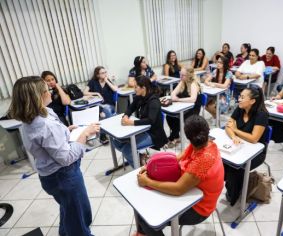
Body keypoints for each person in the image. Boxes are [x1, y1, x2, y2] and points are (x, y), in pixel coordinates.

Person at [8, 76, 100, 236]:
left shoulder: (35, 116)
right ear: (38, 96)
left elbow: (49, 142)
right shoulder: (44, 124)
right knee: (77, 219)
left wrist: (66, 131)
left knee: (69, 210)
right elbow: (65, 158)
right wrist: (84, 134)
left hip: (51, 176)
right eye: (46, 90)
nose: (51, 92)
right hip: (63, 176)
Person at [135, 115, 224, 236]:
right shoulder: (204, 143)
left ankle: (145, 231)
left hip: (199, 208)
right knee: (141, 207)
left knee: (147, 219)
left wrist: (147, 182)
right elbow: (176, 159)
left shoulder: (203, 159)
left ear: (187, 137)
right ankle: (143, 233)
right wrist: (151, 166)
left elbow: (178, 189)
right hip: (190, 191)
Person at [224, 86, 269, 205]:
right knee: (223, 162)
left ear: (252, 101)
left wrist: (236, 131)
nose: (239, 99)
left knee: (235, 168)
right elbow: (228, 126)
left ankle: (235, 195)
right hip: (239, 146)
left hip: (256, 153)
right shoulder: (240, 108)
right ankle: (231, 188)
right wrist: (233, 136)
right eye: (240, 96)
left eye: (242, 97)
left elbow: (254, 139)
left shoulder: (261, 115)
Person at [113, 76, 168, 167]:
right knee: (117, 142)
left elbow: (150, 120)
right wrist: (126, 116)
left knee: (127, 149)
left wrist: (130, 122)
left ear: (143, 88)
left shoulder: (154, 101)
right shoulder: (140, 96)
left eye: (136, 87)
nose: (134, 89)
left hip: (153, 134)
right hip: (141, 130)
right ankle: (140, 157)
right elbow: (131, 107)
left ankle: (138, 169)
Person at [166, 67, 202, 148]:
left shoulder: (193, 83)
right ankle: (175, 135)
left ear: (189, 76)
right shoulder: (182, 81)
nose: (180, 77)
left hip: (193, 109)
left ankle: (174, 137)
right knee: (169, 117)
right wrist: (174, 96)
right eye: (180, 74)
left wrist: (178, 99)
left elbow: (193, 99)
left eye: (183, 75)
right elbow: (173, 93)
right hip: (183, 106)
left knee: (182, 118)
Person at [84, 66, 117, 144]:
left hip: (109, 104)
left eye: (105, 72)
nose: (105, 74)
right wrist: (96, 93)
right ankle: (110, 133)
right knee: (104, 112)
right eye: (102, 73)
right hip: (97, 105)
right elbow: (85, 92)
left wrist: (107, 81)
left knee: (106, 111)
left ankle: (104, 134)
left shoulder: (107, 81)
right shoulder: (93, 82)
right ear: (97, 75)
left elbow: (115, 89)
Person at [204, 55, 232, 123]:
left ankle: (217, 117)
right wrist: (209, 83)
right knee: (204, 103)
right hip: (214, 93)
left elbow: (225, 86)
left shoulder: (229, 73)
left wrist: (215, 84)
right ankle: (215, 116)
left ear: (225, 64)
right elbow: (206, 81)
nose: (218, 64)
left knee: (211, 106)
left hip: (224, 95)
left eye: (220, 62)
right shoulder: (215, 71)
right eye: (217, 62)